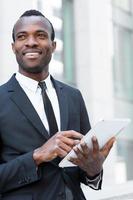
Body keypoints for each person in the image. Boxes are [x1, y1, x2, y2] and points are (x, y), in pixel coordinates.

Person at [0, 10, 115, 200]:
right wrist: (36, 155)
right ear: (13, 47)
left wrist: (93, 170)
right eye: (22, 37)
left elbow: (80, 171)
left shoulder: (73, 96)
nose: (31, 42)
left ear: (53, 45)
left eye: (40, 35)